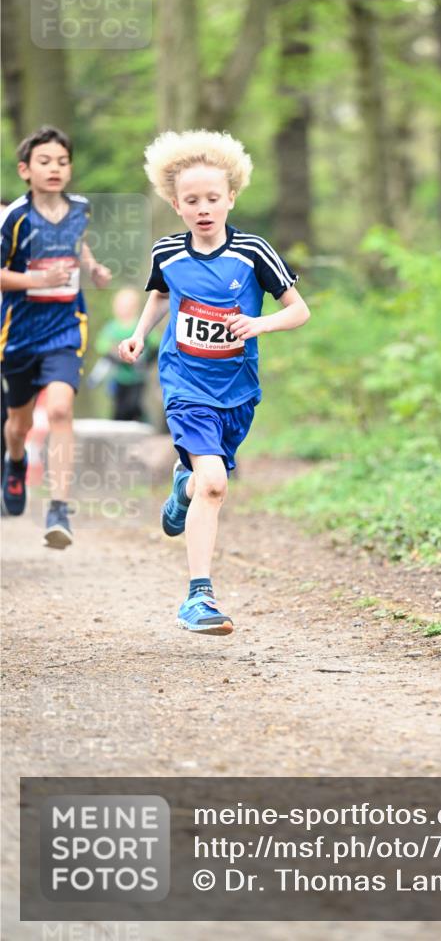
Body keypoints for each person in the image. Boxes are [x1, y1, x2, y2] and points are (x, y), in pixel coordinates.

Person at [118, 129, 310, 635]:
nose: (203, 208)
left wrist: (260, 323)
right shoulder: (169, 253)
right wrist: (140, 334)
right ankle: (197, 598)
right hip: (184, 384)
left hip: (238, 390)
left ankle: (182, 489)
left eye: (212, 198)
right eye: (191, 200)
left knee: (204, 482)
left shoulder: (252, 252)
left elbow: (299, 310)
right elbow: (160, 296)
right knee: (218, 483)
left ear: (230, 198)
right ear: (176, 205)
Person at [0, 126, 112, 546]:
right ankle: (14, 462)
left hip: (66, 325)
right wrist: (37, 277)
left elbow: (77, 245)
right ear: (25, 170)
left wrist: (94, 267)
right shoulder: (15, 216)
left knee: (62, 409)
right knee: (18, 424)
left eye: (62, 162)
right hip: (19, 334)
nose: (55, 169)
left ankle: (59, 508)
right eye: (45, 162)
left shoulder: (80, 208)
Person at [92, 288, 159, 421]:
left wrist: (147, 359)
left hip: (137, 377)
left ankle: (144, 423)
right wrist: (115, 354)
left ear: (135, 307)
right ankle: (117, 427)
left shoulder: (138, 326)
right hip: (117, 377)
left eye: (128, 306)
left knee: (134, 404)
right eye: (121, 306)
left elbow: (155, 342)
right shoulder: (111, 327)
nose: (124, 310)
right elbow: (101, 345)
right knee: (119, 406)